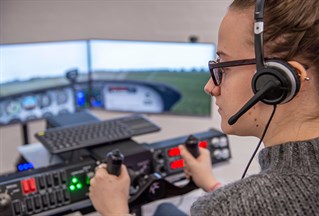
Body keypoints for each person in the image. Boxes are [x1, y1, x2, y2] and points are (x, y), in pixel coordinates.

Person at [89, 0, 319, 215]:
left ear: (283, 79)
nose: (210, 87)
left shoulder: (223, 208)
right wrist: (212, 185)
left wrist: (114, 209)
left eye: (224, 69)